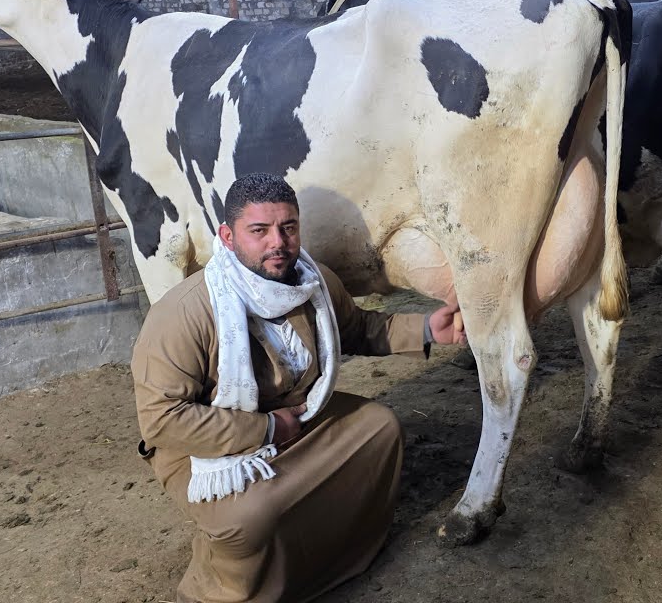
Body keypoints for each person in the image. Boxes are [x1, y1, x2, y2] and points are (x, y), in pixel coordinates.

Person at [131, 172, 466, 603]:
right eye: (259, 231)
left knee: (379, 429)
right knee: (252, 517)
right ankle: (213, 593)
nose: (279, 243)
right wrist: (267, 430)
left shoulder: (312, 280)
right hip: (208, 448)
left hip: (297, 417)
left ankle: (329, 561)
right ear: (228, 236)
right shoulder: (184, 312)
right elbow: (162, 421)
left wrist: (425, 327)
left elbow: (359, 328)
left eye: (288, 227)